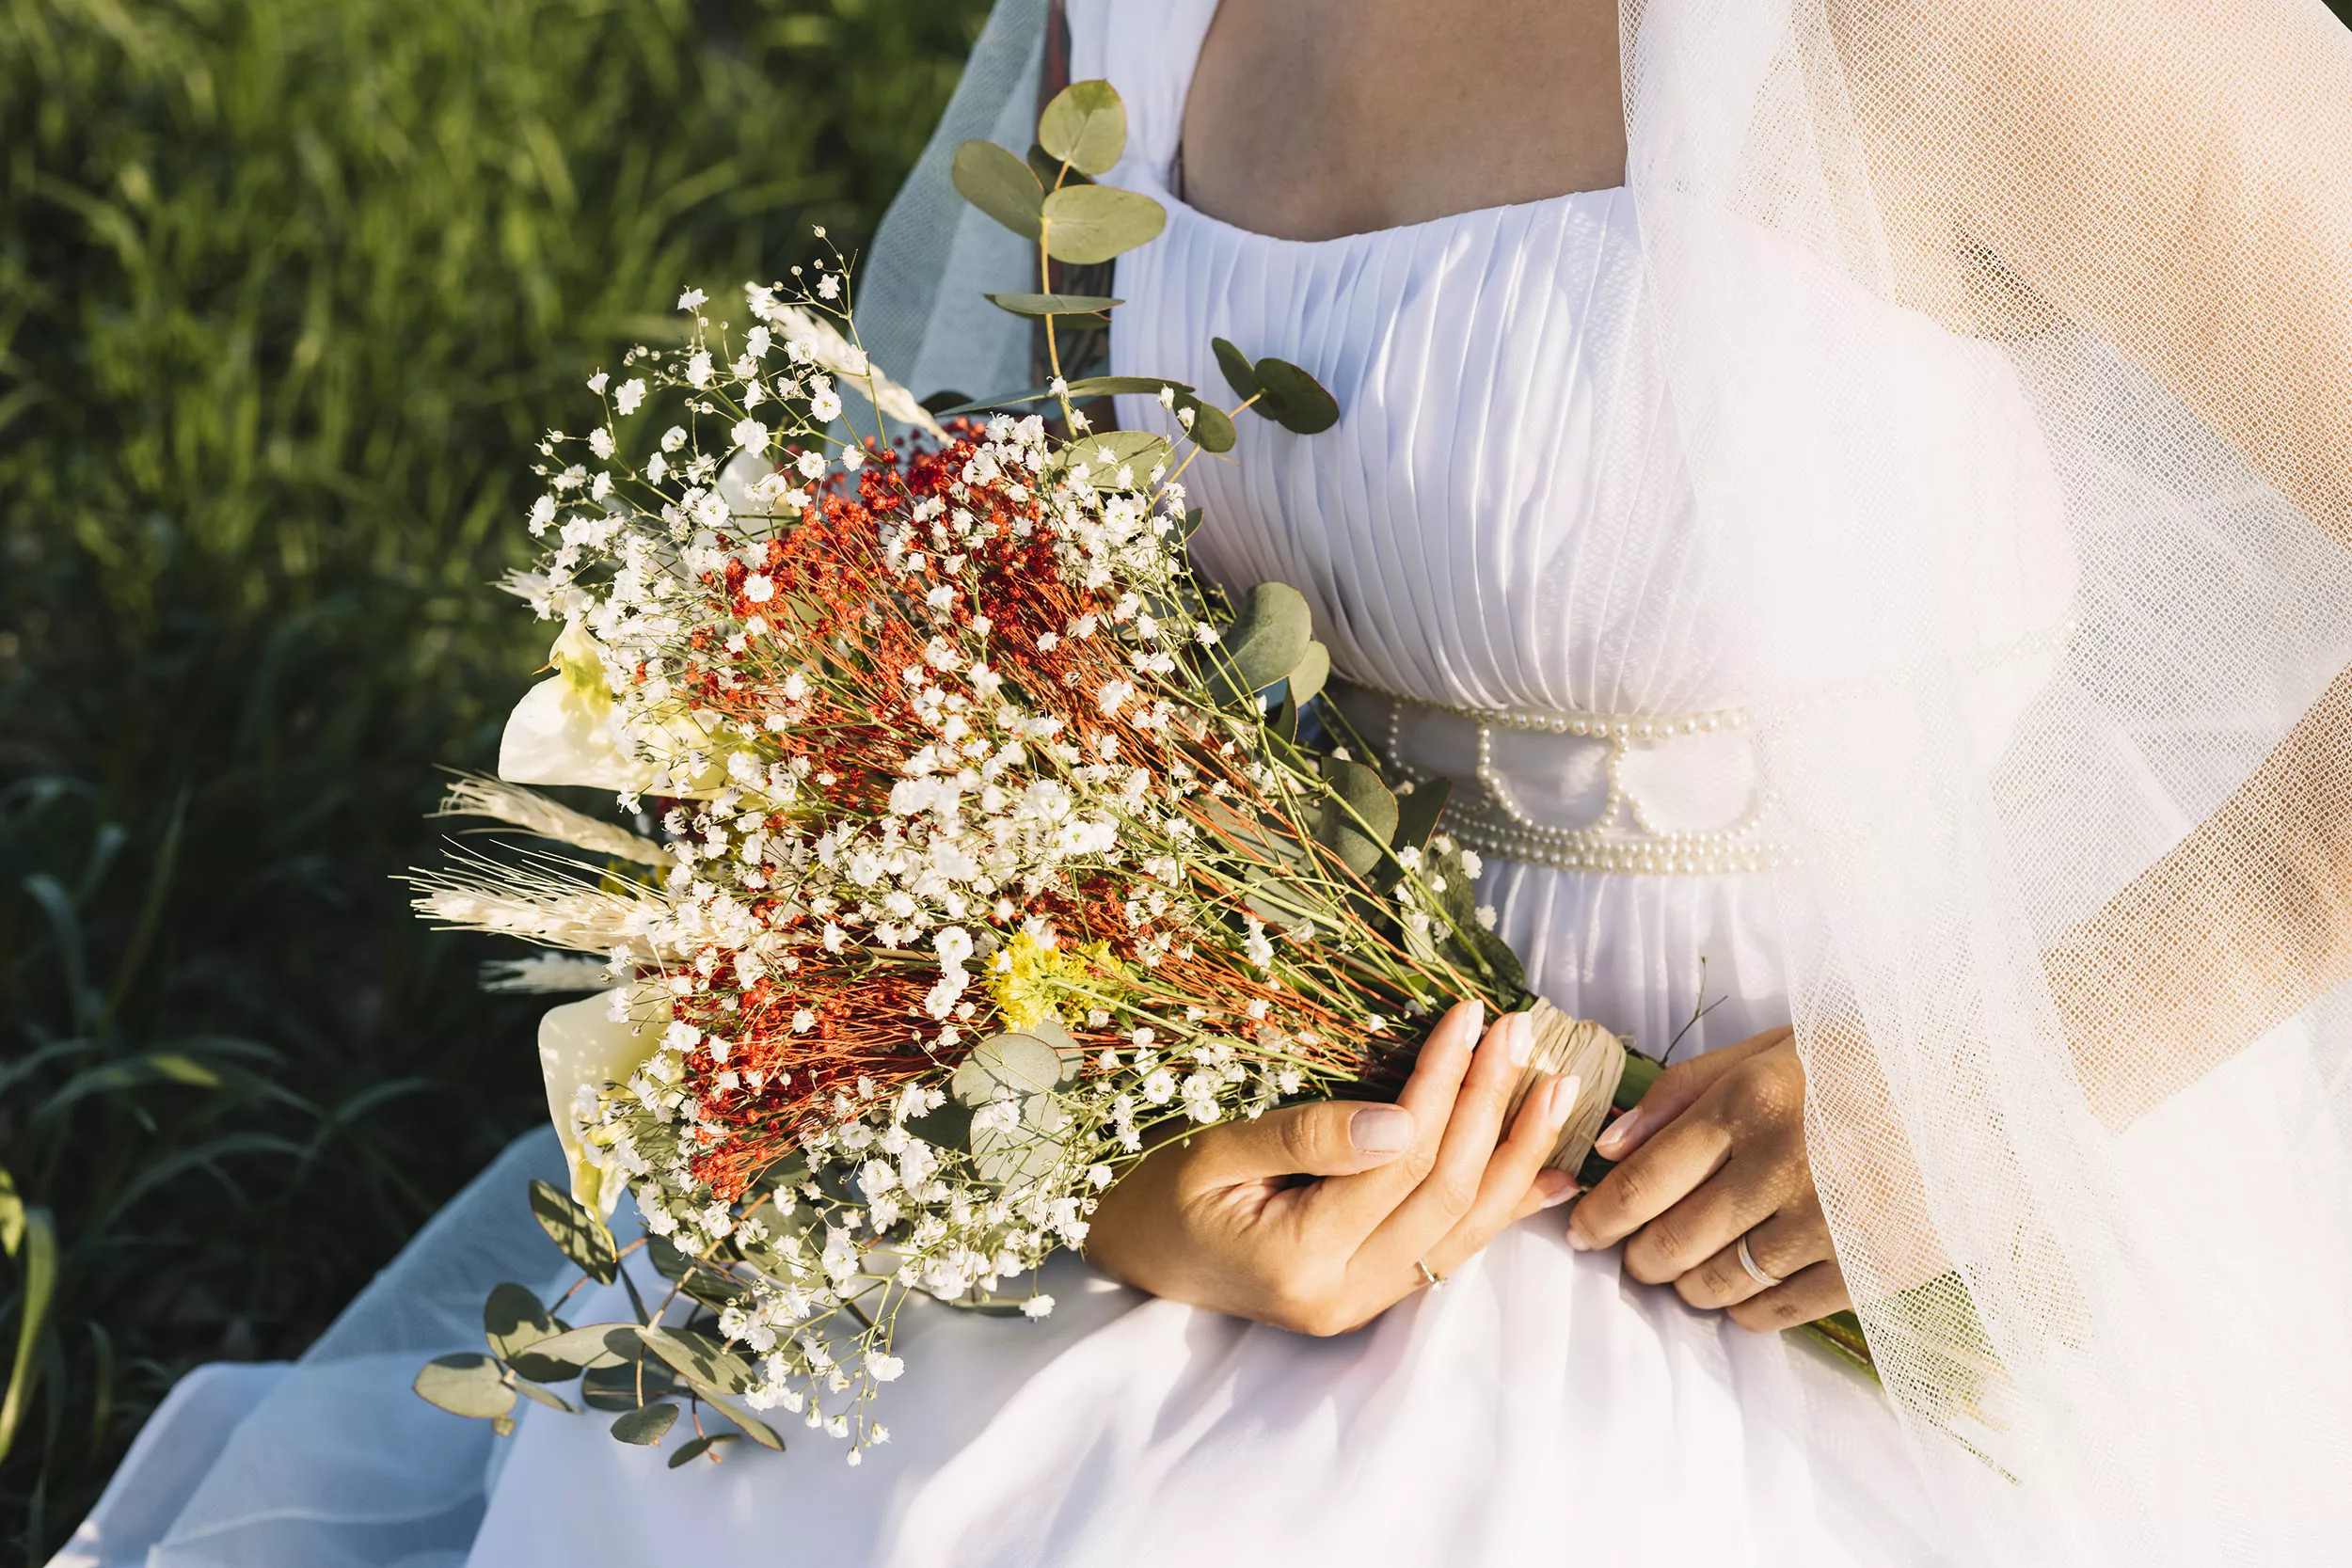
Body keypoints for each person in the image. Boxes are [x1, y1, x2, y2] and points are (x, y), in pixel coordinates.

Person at [56, 1, 2352, 1564]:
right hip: (1232, 1056)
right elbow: (977, 607)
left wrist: (1991, 1083)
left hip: (1814, 1171)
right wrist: (1103, 1157)